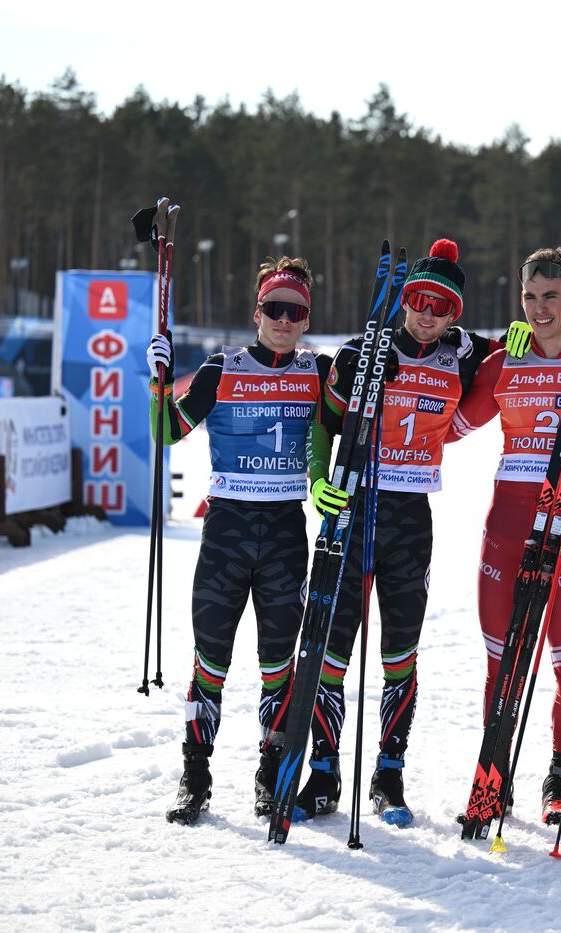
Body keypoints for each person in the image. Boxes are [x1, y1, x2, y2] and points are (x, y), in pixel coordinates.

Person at [296, 238, 498, 828]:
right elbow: (321, 425)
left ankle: (389, 773)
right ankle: (325, 770)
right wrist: (318, 482)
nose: (427, 313)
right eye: (417, 300)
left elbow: (523, 356)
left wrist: (517, 340)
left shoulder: (462, 354)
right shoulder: (360, 353)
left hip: (411, 516)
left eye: (442, 305)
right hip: (354, 509)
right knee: (332, 650)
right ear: (403, 299)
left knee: (399, 652)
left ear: (454, 312)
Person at [449, 247, 561, 824]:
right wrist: (463, 353)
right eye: (530, 297)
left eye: (551, 296)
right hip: (507, 524)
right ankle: (492, 774)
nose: (539, 308)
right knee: (501, 662)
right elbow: (447, 425)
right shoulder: (507, 360)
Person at [148, 257, 333, 824]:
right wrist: (157, 382)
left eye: (295, 311)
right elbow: (166, 433)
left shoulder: (320, 372)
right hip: (226, 533)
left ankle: (269, 775)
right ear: (258, 312)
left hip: (283, 534)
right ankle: (195, 778)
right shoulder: (219, 369)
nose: (284, 319)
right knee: (211, 662)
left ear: (305, 319)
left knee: (279, 665)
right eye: (275, 308)